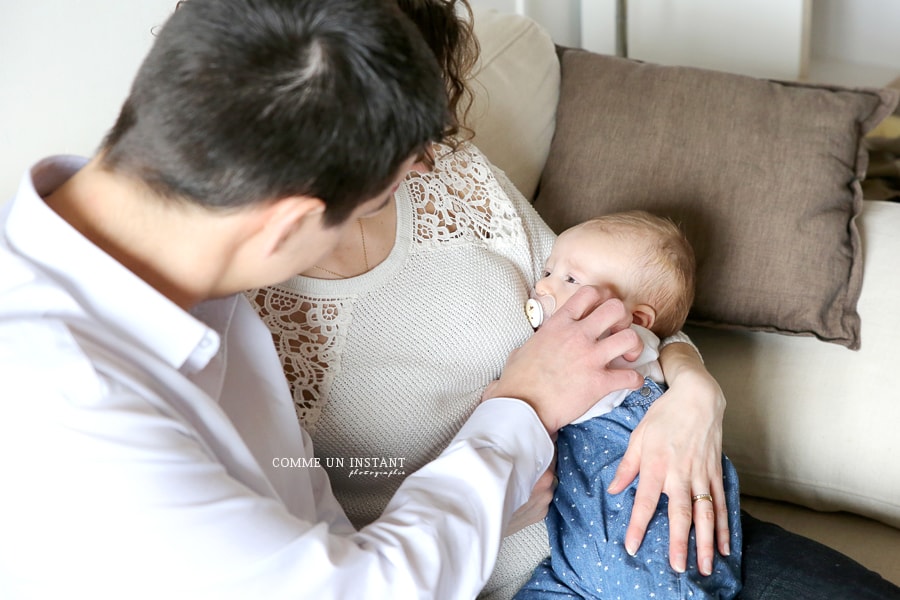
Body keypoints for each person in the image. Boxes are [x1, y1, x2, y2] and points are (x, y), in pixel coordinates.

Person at [0, 1, 651, 598]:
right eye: (373, 205)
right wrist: (523, 409)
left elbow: (318, 535)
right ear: (286, 226)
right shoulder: (64, 403)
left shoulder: (186, 287)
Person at [250, 1, 900, 599]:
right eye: (406, 128)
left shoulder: (455, 176)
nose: (431, 154)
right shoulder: (241, 311)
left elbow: (628, 310)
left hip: (659, 513)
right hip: (519, 580)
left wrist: (697, 392)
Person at [513, 211, 742, 599]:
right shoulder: (639, 345)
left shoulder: (621, 348)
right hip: (577, 559)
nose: (542, 284)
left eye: (570, 279)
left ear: (633, 321)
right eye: (549, 270)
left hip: (643, 543)